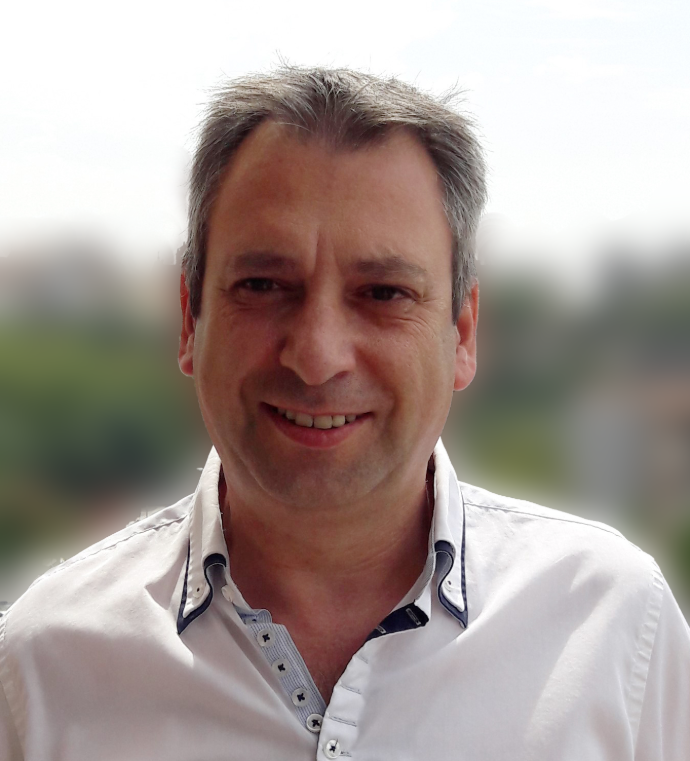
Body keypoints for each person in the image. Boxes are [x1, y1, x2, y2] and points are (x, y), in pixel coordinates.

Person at [1, 66, 688, 761]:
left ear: (463, 333)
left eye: (383, 292)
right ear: (189, 318)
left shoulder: (616, 630)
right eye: (263, 284)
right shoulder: (42, 671)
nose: (317, 356)